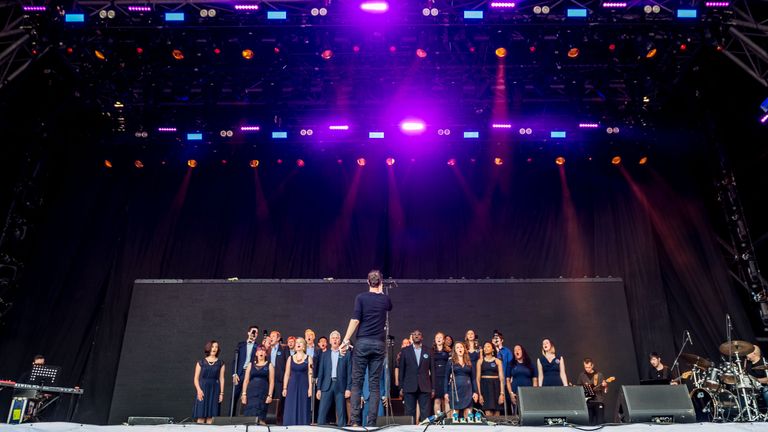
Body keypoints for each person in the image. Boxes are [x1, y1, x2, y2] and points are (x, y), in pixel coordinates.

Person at [340, 269, 393, 426]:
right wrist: (381, 289)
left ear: (367, 282)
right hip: (378, 344)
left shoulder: (361, 298)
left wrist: (345, 340)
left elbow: (355, 320)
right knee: (374, 384)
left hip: (363, 343)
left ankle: (355, 422)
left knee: (357, 382)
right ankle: (371, 423)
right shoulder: (385, 300)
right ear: (381, 282)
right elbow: (388, 306)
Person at [316, 331, 352, 426]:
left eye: (337, 338)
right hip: (326, 385)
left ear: (340, 340)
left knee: (341, 413)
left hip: (340, 385)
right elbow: (321, 372)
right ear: (330, 341)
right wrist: (318, 389)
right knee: (322, 412)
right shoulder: (325, 354)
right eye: (333, 338)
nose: (335, 339)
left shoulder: (346, 354)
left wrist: (348, 388)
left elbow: (349, 373)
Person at [399, 329, 433, 423]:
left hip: (425, 386)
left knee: (425, 413)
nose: (417, 336)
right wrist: (401, 387)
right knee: (409, 413)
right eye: (414, 334)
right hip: (409, 386)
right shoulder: (405, 351)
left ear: (422, 337)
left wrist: (433, 388)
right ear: (412, 337)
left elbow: (433, 371)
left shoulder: (428, 351)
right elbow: (402, 370)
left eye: (419, 334)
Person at [193, 341, 226, 424]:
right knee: (200, 416)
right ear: (208, 348)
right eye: (212, 346)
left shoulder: (221, 363)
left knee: (211, 417)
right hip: (202, 389)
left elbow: (221, 378)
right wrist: (199, 390)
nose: (214, 348)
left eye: (216, 347)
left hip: (215, 389)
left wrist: (221, 393)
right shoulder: (201, 362)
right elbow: (196, 378)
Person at [282, 337, 313, 425]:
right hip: (292, 386)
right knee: (290, 406)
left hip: (304, 386)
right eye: (297, 343)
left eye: (300, 342)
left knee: (303, 406)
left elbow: (310, 374)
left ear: (304, 346)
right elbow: (287, 374)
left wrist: (310, 388)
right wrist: (284, 388)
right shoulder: (290, 358)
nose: (298, 344)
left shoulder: (309, 358)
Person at [241, 345, 274, 424]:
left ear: (266, 354)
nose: (261, 352)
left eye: (263, 351)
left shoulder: (269, 365)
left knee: (261, 417)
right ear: (256, 353)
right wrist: (244, 394)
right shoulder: (250, 365)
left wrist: (270, 395)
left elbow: (272, 381)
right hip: (251, 392)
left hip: (263, 392)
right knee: (249, 416)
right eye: (259, 350)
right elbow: (246, 380)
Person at [444, 342, 478, 419]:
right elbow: (446, 377)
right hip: (455, 391)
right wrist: (445, 392)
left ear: (464, 349)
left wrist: (475, 392)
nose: (460, 349)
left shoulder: (469, 362)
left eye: (461, 347)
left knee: (468, 415)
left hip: (468, 391)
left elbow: (473, 378)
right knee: (455, 415)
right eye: (457, 347)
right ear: (455, 350)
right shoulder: (451, 362)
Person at [232, 325, 260, 415]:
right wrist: (234, 373)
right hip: (240, 373)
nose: (254, 334)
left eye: (256, 333)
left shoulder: (258, 347)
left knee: (248, 396)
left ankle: (246, 417)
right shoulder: (241, 345)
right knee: (234, 396)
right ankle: (230, 417)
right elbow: (235, 360)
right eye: (253, 331)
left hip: (250, 374)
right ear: (248, 333)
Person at [476, 342, 505, 416]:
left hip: (496, 388)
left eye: (488, 346)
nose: (485, 348)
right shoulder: (480, 361)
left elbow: (502, 379)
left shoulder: (498, 361)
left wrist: (502, 394)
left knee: (497, 414)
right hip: (485, 388)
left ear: (492, 349)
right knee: (488, 414)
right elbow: (478, 379)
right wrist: (480, 394)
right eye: (484, 347)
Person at [577, 358, 608, 425]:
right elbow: (579, 389)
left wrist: (605, 386)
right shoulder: (582, 375)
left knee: (600, 423)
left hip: (598, 401)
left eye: (589, 367)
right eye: (585, 367)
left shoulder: (599, 375)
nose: (587, 369)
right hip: (588, 402)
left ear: (592, 366)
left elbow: (605, 391)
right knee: (589, 423)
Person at [509, 345, 537, 413]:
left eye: (518, 349)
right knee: (517, 412)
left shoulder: (530, 364)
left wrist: (534, 392)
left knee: (528, 411)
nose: (516, 351)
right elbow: (507, 380)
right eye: (515, 350)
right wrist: (511, 393)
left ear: (523, 351)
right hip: (515, 392)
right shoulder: (511, 365)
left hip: (528, 392)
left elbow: (535, 379)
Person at [431, 332, 451, 416]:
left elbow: (451, 365)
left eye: (440, 338)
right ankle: (438, 421)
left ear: (443, 340)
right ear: (435, 340)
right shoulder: (431, 352)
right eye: (437, 337)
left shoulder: (448, 351)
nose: (439, 339)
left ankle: (448, 421)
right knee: (437, 400)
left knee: (446, 400)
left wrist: (450, 376)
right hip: (435, 378)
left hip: (445, 378)